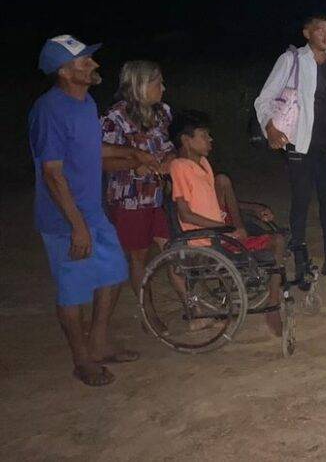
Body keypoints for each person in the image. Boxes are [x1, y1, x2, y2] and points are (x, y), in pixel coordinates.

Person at [29, 35, 146, 386]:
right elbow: (53, 173)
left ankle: (99, 344)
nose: (93, 65)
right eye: (84, 62)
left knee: (113, 273)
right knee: (74, 290)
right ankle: (82, 360)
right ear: (64, 72)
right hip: (63, 219)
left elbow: (91, 149)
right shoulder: (49, 110)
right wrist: (77, 225)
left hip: (91, 210)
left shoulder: (85, 103)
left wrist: (133, 154)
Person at [168, 109, 286, 334]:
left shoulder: (203, 163)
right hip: (207, 242)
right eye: (204, 136)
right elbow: (185, 215)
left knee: (278, 239)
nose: (210, 140)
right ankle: (272, 305)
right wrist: (225, 229)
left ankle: (272, 304)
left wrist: (254, 209)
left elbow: (212, 202)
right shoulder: (179, 167)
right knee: (277, 241)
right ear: (186, 140)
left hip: (221, 236)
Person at [255, 14, 326, 280]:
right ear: (307, 33)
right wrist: (270, 128)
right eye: (319, 29)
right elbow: (263, 99)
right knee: (300, 202)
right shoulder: (291, 60)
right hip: (300, 143)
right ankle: (300, 259)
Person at [100, 61, 175, 320]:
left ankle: (194, 306)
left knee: (173, 249)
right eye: (158, 83)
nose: (163, 88)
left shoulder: (162, 113)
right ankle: (149, 314)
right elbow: (103, 160)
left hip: (158, 195)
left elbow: (168, 147)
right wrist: (135, 165)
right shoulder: (115, 118)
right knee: (139, 258)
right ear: (140, 86)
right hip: (129, 199)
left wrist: (168, 162)